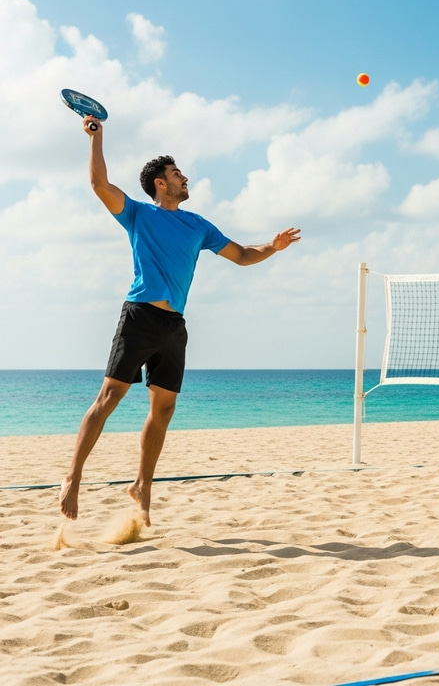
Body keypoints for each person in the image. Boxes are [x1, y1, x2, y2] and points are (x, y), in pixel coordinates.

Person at [59, 115, 301, 526]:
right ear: (160, 183)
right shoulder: (137, 214)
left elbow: (242, 255)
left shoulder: (197, 224)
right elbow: (100, 185)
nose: (184, 178)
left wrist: (272, 248)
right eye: (177, 174)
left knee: (165, 409)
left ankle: (142, 485)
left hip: (174, 327)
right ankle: (72, 477)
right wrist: (96, 139)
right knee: (109, 399)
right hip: (139, 316)